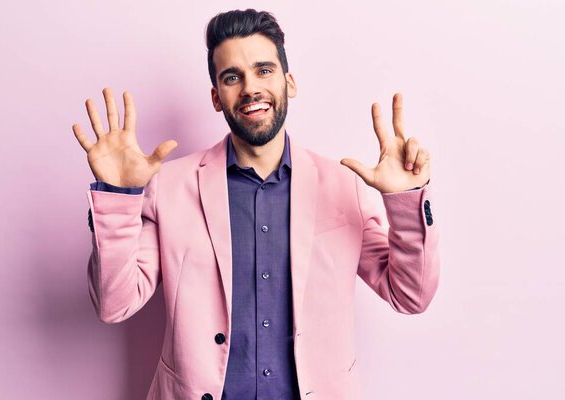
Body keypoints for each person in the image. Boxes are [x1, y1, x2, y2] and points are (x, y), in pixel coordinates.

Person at [72, 8, 440, 400]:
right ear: (216, 96)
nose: (250, 88)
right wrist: (118, 195)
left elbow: (410, 295)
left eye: (264, 70)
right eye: (232, 77)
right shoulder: (170, 188)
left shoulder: (342, 184)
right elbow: (114, 304)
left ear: (289, 81)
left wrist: (405, 199)